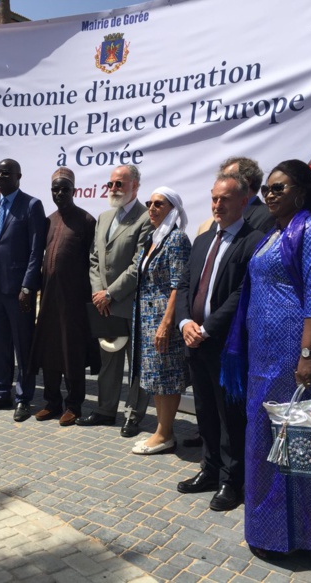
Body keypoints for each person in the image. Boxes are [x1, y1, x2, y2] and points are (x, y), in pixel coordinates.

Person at [221, 159, 311, 557]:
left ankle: (308, 538)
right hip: (261, 358)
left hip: (294, 357)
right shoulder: (272, 234)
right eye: (268, 189)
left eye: (280, 188)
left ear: (303, 192)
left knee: (296, 441)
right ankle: (268, 531)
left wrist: (308, 355)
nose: (270, 194)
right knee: (264, 439)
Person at [176, 173, 263, 511]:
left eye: (225, 199)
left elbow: (242, 294)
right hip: (194, 340)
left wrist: (207, 327)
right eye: (214, 198)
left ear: (243, 202)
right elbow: (185, 286)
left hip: (226, 345)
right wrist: (185, 323)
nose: (217, 205)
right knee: (205, 412)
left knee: (230, 417)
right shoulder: (202, 241)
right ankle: (209, 470)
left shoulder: (253, 240)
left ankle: (232, 480)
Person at [78, 164, 153, 438]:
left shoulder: (146, 219)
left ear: (135, 186)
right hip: (105, 305)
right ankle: (105, 410)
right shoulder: (104, 217)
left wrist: (111, 293)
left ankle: (133, 415)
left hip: (129, 304)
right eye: (111, 184)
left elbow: (138, 265)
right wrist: (99, 293)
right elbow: (95, 259)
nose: (113, 189)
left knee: (136, 364)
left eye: (119, 184)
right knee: (109, 359)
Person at [0, 159, 47, 422]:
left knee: (22, 346)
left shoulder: (31, 205)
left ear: (19, 176)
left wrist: (28, 286)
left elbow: (36, 250)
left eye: (6, 173)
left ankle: (23, 398)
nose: (0, 177)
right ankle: (0, 392)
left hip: (18, 292)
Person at [29, 167, 97, 426]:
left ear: (74, 191)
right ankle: (52, 402)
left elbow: (93, 262)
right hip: (47, 300)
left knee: (72, 353)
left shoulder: (86, 221)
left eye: (64, 189)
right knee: (49, 352)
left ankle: (74, 405)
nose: (59, 193)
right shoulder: (48, 220)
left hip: (74, 301)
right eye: (55, 189)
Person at [129, 187, 190, 454]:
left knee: (167, 376)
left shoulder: (176, 239)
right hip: (146, 319)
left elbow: (179, 284)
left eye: (159, 204)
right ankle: (161, 431)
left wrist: (166, 323)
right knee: (155, 377)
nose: (152, 209)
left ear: (172, 209)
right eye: (149, 203)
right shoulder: (154, 238)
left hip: (163, 319)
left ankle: (165, 433)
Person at [196, 157, 275, 236]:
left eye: (230, 177)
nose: (224, 182)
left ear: (247, 181)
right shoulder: (217, 220)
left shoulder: (268, 216)